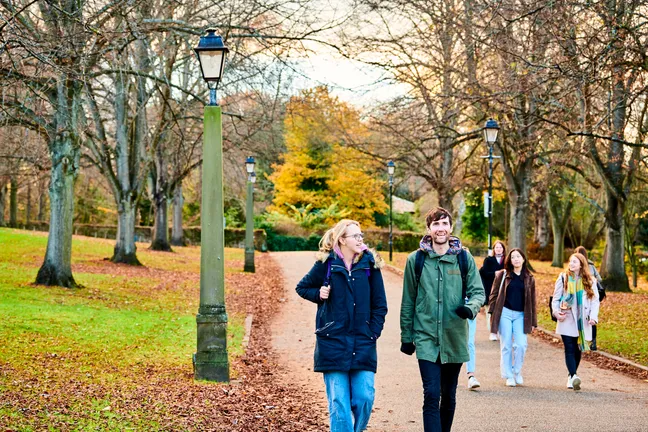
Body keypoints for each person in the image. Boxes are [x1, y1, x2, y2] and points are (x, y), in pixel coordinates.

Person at [296, 219, 388, 432]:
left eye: (361, 235)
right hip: (333, 341)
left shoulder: (369, 265)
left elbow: (380, 304)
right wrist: (318, 293)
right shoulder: (326, 263)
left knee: (364, 397)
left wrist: (373, 331)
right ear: (342, 240)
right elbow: (302, 287)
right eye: (355, 236)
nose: (360, 239)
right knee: (339, 402)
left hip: (363, 341)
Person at [400, 207, 485, 432]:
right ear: (428, 229)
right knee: (431, 394)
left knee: (448, 395)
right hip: (426, 336)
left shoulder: (464, 259)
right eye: (436, 224)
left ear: (451, 227)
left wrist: (470, 308)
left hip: (454, 335)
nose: (441, 229)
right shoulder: (415, 260)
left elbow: (478, 292)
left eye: (444, 224)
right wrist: (406, 336)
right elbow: (408, 300)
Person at [488, 248, 537, 387]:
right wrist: (492, 313)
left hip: (521, 315)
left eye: (518, 256)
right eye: (513, 257)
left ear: (523, 259)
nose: (516, 259)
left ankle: (517, 371)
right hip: (505, 313)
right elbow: (493, 295)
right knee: (506, 345)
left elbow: (532, 301)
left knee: (521, 345)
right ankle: (508, 375)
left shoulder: (529, 278)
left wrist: (533, 321)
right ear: (509, 260)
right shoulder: (502, 275)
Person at [552, 252, 599, 391]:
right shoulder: (563, 277)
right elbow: (555, 298)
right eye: (570, 261)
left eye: (575, 262)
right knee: (569, 347)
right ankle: (573, 376)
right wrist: (556, 313)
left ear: (581, 264)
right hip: (567, 317)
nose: (571, 264)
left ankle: (571, 375)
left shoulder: (591, 281)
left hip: (582, 320)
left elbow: (595, 301)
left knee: (578, 348)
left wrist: (593, 317)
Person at [574, 246, 605, 351]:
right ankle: (590, 341)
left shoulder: (589, 265)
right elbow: (599, 278)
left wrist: (591, 281)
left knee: (589, 317)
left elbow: (598, 279)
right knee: (589, 318)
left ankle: (588, 340)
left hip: (588, 294)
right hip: (585, 294)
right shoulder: (589, 265)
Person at [479, 240, 506, 342]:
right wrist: (496, 273)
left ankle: (500, 330)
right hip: (490, 290)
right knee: (490, 311)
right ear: (494, 249)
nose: (499, 249)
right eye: (497, 247)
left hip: (503, 290)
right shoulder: (488, 260)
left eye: (500, 247)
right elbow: (485, 273)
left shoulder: (506, 260)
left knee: (502, 311)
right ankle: (492, 331)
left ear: (503, 249)